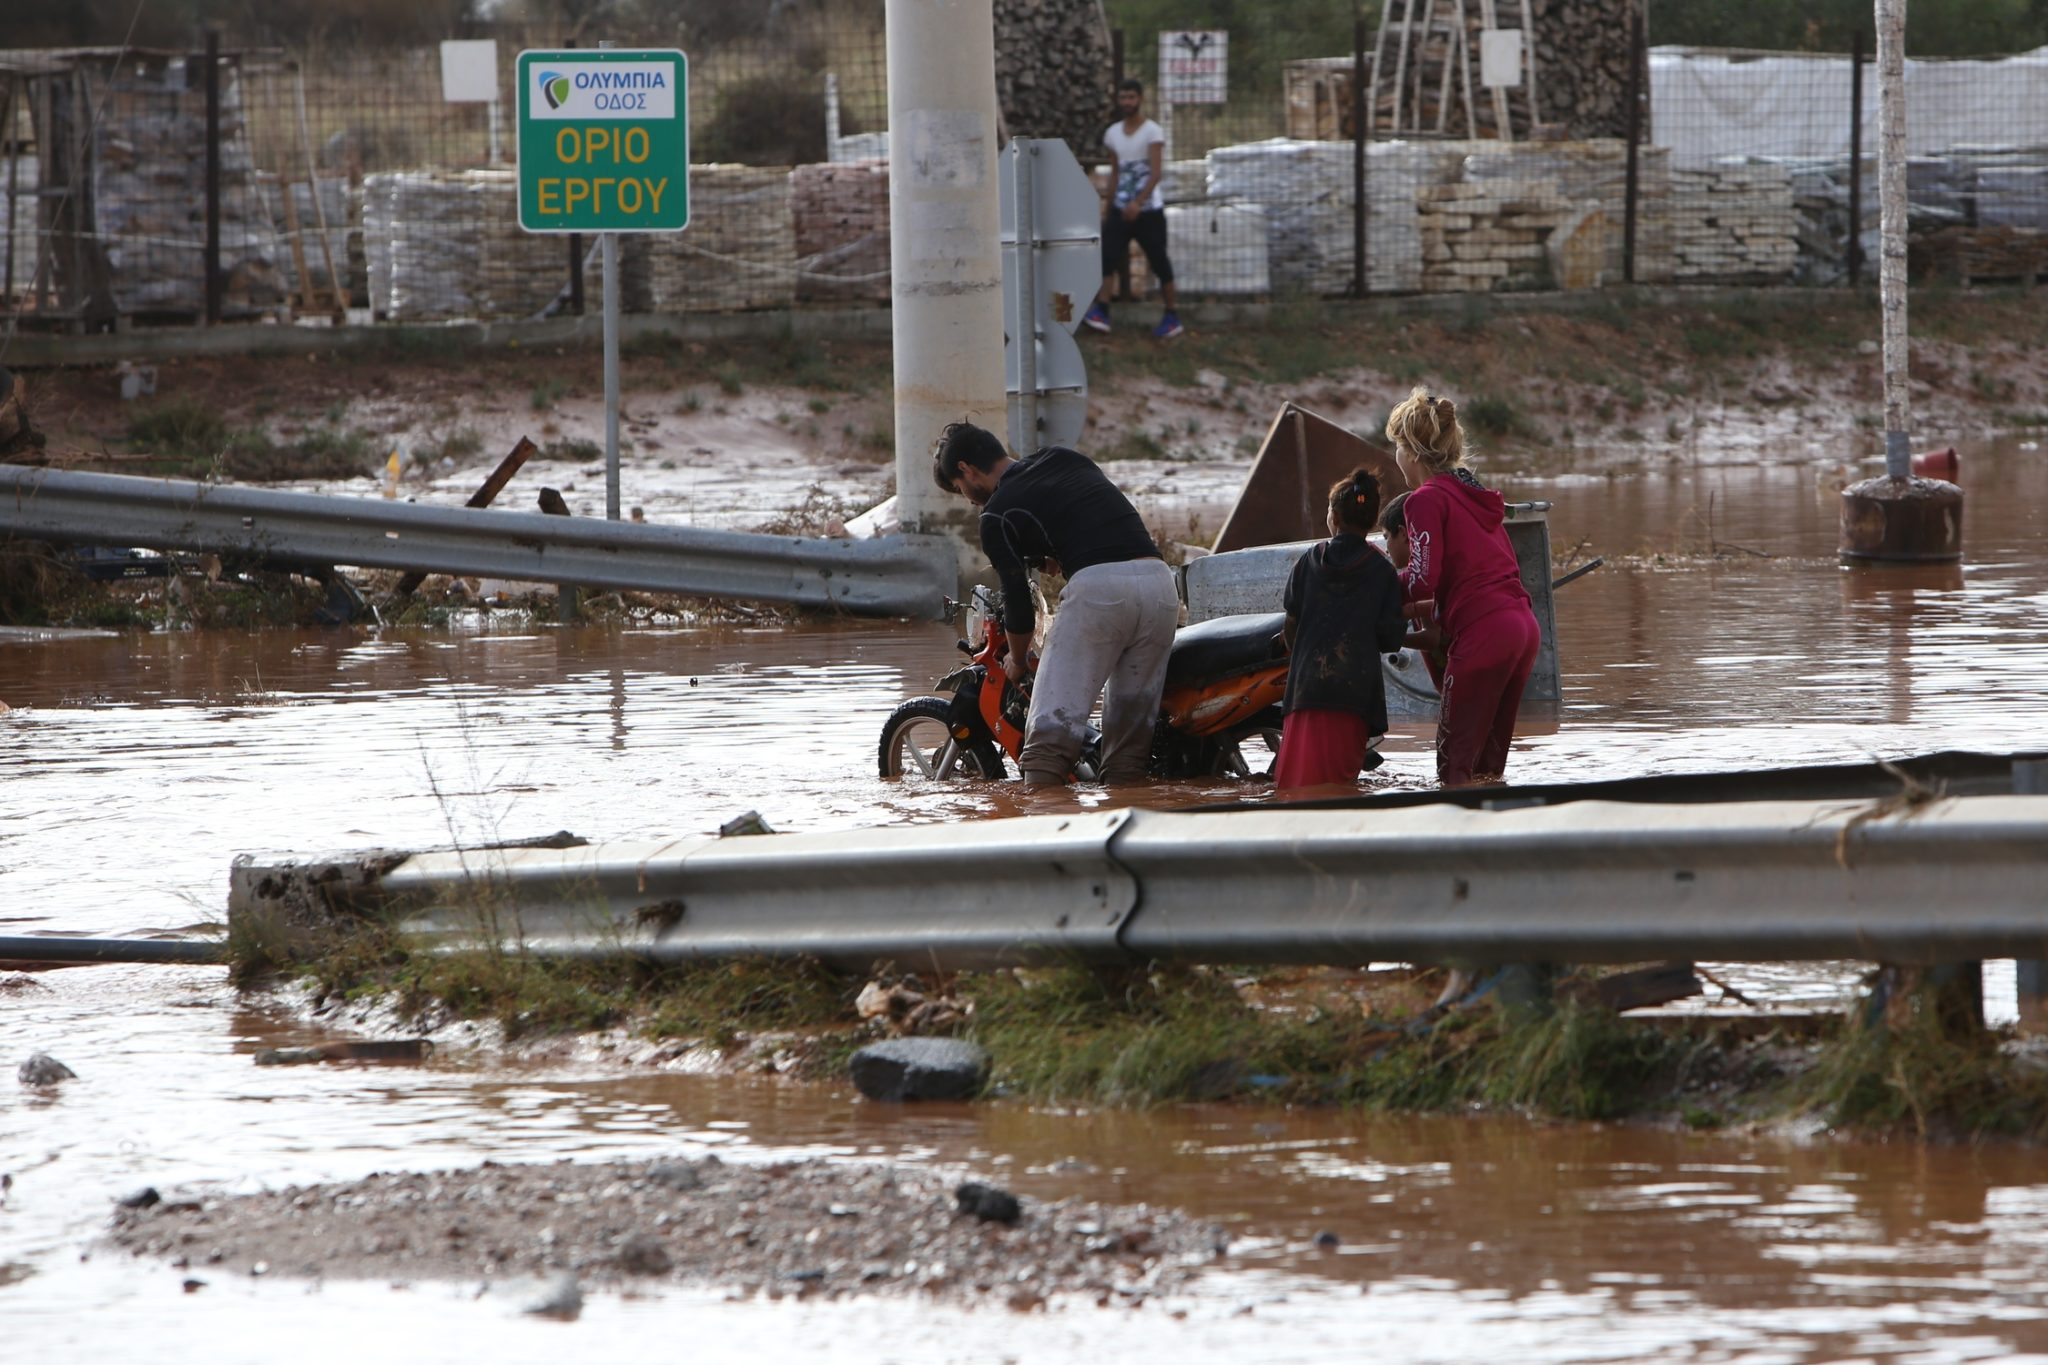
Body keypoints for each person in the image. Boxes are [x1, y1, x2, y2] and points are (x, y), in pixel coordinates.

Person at [932, 421, 1179, 786]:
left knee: (1048, 739)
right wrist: (1053, 552)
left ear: (966, 469)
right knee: (1127, 752)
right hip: (1161, 587)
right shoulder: (1064, 458)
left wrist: (1016, 660)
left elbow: (1018, 606)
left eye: (959, 488)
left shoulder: (995, 513)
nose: (968, 498)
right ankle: (1128, 816)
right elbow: (1085, 514)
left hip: (1101, 594)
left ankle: (1046, 831)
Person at [1385, 388, 1543, 788]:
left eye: (1397, 448)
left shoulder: (1424, 500)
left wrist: (1378, 587)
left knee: (1453, 770)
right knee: (1489, 768)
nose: (1397, 458)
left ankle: (1454, 843)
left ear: (1412, 452)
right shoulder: (1473, 493)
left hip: (1484, 633)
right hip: (1522, 628)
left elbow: (1422, 578)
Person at [1273, 468, 1409, 799]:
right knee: (1340, 788)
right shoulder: (1381, 570)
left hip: (1306, 691)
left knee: (1295, 785)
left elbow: (1291, 622)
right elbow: (1391, 639)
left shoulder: (1309, 561)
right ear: (1373, 518)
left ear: (1333, 516)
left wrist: (1300, 657)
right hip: (1353, 697)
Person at [1081, 79, 1182, 341]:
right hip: (1120, 207)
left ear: (1140, 99)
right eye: (1123, 97)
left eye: (1131, 97)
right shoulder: (1113, 133)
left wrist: (1139, 203)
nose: (1127, 102)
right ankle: (1102, 310)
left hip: (1148, 210)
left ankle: (1172, 314)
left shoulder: (1152, 132)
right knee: (1108, 257)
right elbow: (1115, 171)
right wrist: (1109, 204)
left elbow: (1156, 172)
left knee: (1159, 260)